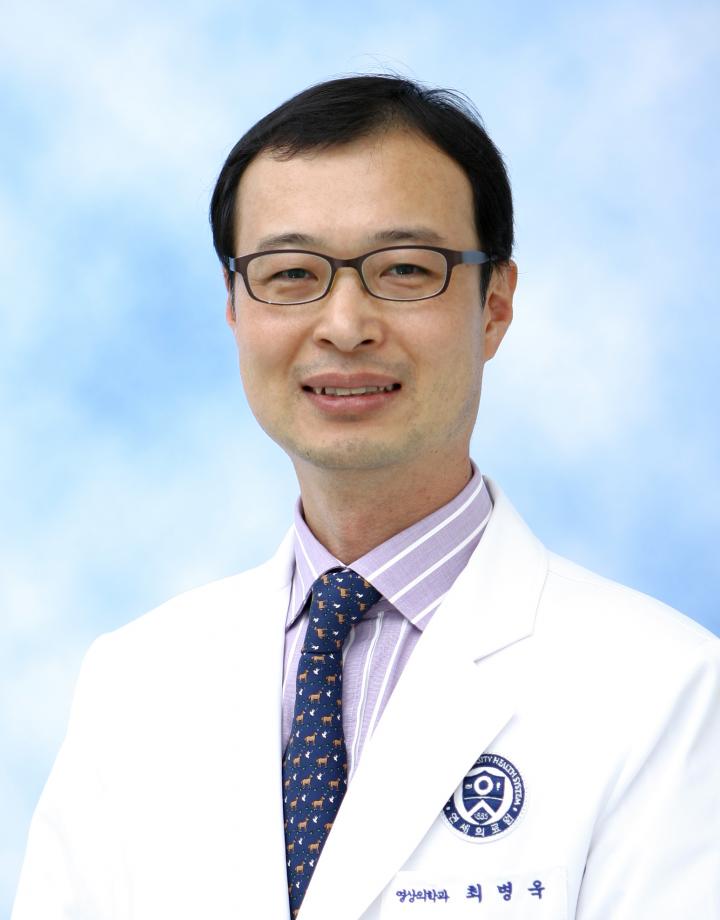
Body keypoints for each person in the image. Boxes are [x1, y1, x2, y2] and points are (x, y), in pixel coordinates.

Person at [12, 75, 720, 920]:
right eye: (290, 273)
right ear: (234, 308)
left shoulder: (665, 689)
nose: (345, 325)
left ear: (495, 306)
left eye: (405, 269)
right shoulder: (134, 682)